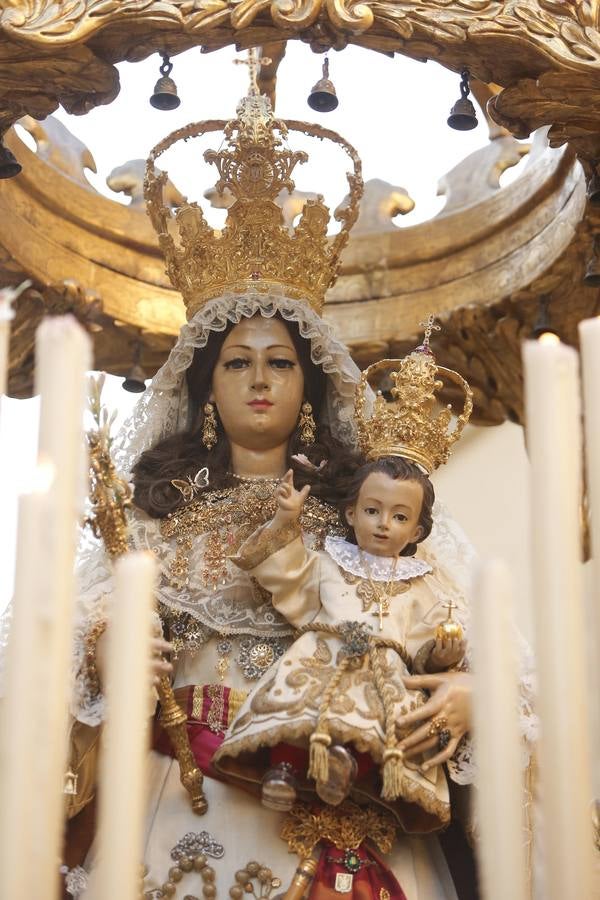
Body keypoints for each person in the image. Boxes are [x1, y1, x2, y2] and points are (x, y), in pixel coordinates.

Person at [63, 83, 538, 900]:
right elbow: (62, 656)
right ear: (205, 388)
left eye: (280, 362)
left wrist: (473, 693)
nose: (258, 381)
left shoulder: (373, 522)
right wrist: (106, 658)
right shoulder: (153, 522)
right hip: (185, 795)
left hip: (348, 792)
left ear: (311, 384)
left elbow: (467, 638)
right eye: (236, 363)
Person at [214, 451, 467, 833]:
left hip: (384, 673)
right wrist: (286, 518)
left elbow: (422, 648)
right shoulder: (329, 563)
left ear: (416, 531)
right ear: (351, 513)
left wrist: (441, 654)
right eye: (372, 511)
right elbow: (286, 573)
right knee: (296, 707)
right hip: (321, 656)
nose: (384, 524)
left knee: (379, 729)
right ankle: (283, 767)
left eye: (399, 517)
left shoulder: (421, 588)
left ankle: (348, 772)